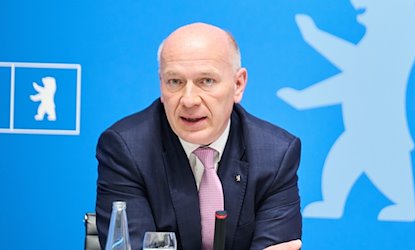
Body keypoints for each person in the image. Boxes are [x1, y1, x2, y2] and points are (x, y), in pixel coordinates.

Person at [96, 22, 302, 250]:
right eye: (175, 82)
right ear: (161, 84)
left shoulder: (276, 154)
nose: (189, 100)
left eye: (206, 81)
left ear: (238, 84)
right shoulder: (127, 148)